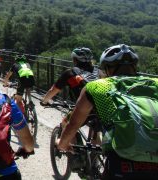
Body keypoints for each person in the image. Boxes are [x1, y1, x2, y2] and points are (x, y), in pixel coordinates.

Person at [57, 44, 158, 179]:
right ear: (135, 66)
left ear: (107, 69)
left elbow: (73, 124)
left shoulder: (97, 86)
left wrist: (62, 144)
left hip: (123, 163)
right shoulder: (155, 82)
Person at [41, 47, 103, 130]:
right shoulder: (99, 72)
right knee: (95, 132)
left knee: (65, 125)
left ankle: (64, 142)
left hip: (82, 109)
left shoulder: (70, 73)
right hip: (102, 109)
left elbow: (53, 90)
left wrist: (44, 101)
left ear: (75, 60)